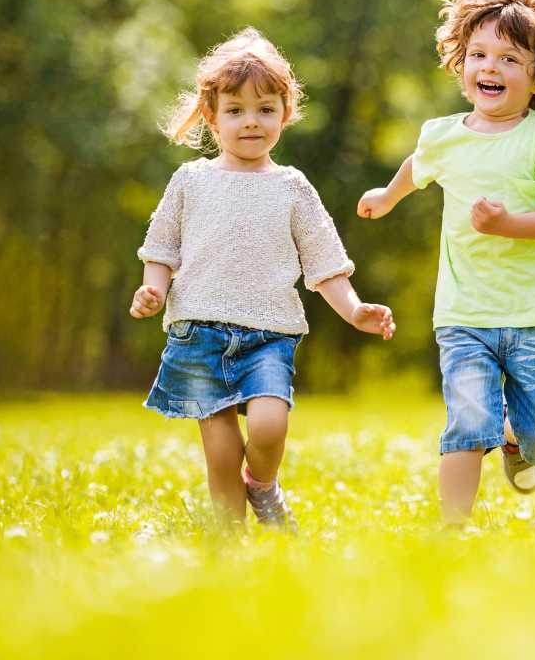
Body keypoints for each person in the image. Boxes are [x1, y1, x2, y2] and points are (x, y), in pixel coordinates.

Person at [357, 0, 535, 523]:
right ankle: (454, 528)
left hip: (534, 312)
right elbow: (415, 167)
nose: (489, 67)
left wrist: (507, 224)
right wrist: (388, 195)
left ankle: (522, 445)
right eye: (478, 55)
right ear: (461, 61)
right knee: (468, 420)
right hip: (463, 312)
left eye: (509, 59)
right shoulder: (443, 135)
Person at [130, 27, 395, 530]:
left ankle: (263, 484)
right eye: (235, 111)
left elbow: (325, 263)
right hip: (199, 332)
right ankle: (228, 539)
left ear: (285, 113)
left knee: (270, 426)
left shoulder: (292, 187)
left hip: (269, 333)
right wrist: (153, 290)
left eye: (265, 109)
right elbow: (161, 247)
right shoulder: (191, 180)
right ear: (212, 116)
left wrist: (356, 309)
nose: (251, 122)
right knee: (220, 450)